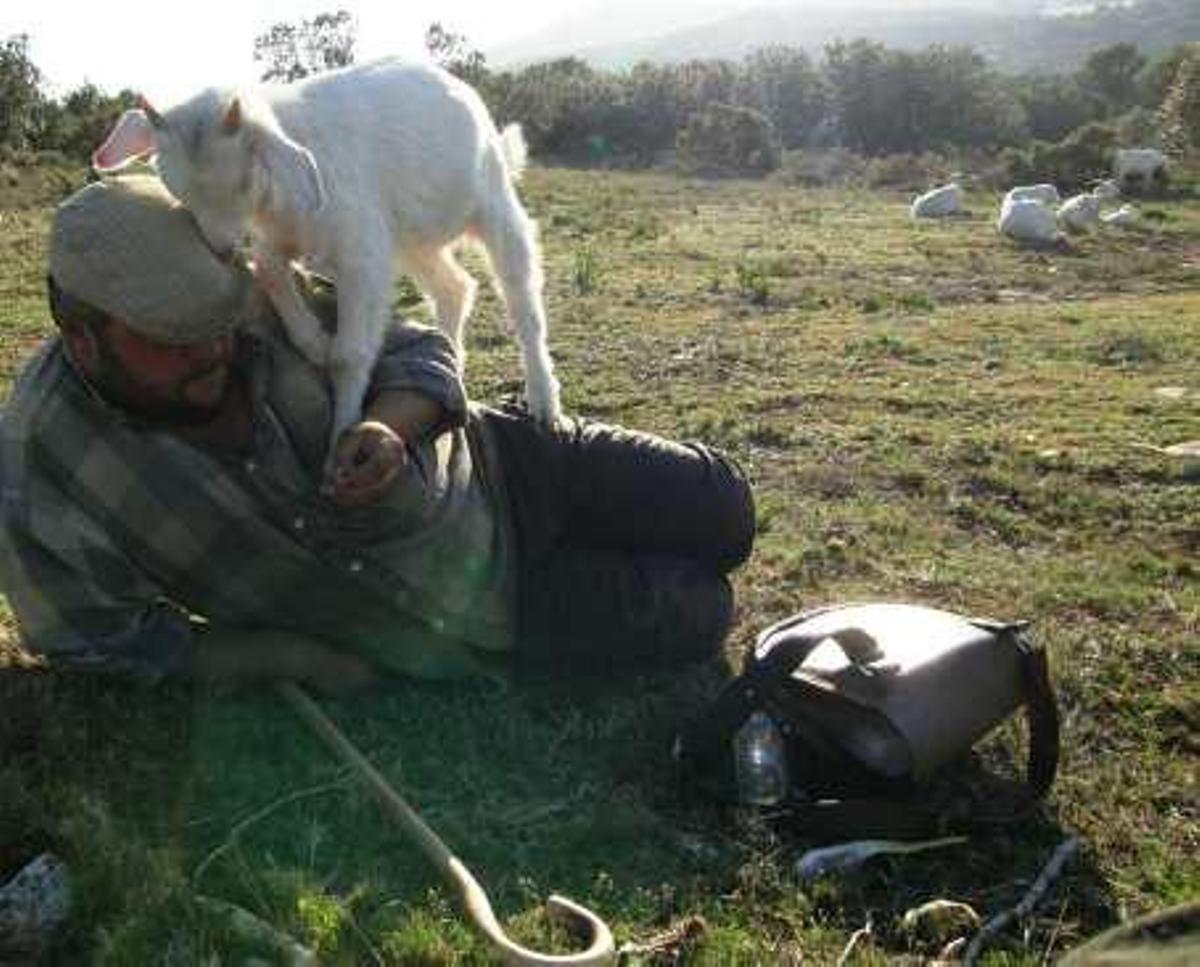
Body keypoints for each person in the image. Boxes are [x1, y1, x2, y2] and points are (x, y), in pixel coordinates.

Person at [0, 175, 754, 693]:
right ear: (83, 337)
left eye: (218, 318)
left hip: (513, 460)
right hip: (482, 613)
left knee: (726, 506)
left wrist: (387, 427)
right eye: (173, 335)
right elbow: (91, 640)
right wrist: (285, 657)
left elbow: (418, 348)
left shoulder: (263, 296)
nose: (212, 347)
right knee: (703, 610)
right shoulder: (41, 460)